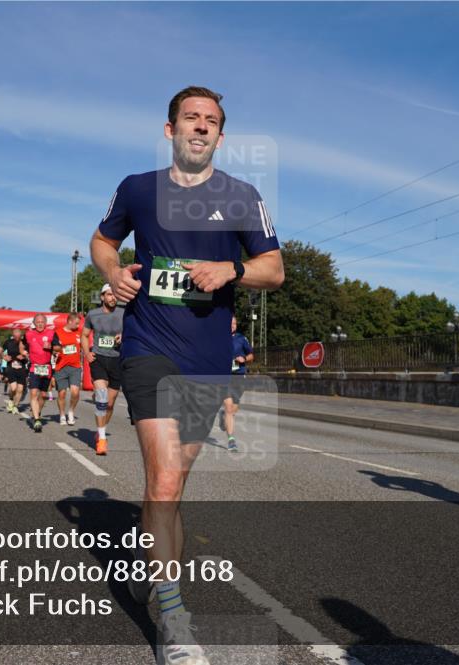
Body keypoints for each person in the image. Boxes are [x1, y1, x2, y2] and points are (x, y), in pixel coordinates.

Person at [90, 86, 284, 664]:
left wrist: (232, 269)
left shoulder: (243, 196)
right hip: (148, 345)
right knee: (166, 482)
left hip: (207, 357)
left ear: (221, 136)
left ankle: (157, 548)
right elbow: (103, 242)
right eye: (190, 118)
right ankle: (175, 619)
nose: (200, 127)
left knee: (171, 488)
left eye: (211, 121)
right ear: (170, 128)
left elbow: (274, 269)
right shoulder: (137, 188)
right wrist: (115, 271)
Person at [83, 283, 124, 455]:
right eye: (109, 295)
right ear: (102, 297)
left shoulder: (124, 313)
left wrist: (124, 336)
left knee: (109, 404)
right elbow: (84, 335)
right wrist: (87, 353)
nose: (112, 298)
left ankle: (100, 429)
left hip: (117, 360)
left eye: (115, 295)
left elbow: (135, 332)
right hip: (98, 358)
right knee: (101, 397)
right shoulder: (93, 314)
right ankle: (101, 438)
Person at [222, 315, 254, 452]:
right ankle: (231, 441)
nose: (232, 325)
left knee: (233, 409)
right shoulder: (219, 338)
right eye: (230, 323)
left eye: (234, 323)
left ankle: (225, 418)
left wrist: (244, 358)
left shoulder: (242, 339)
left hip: (239, 377)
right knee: (228, 408)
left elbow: (252, 356)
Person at [52, 312, 84, 426]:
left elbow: (86, 342)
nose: (77, 326)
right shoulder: (58, 332)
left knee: (75, 392)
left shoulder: (79, 333)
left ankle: (70, 411)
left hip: (75, 367)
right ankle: (62, 414)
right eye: (76, 323)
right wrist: (58, 349)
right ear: (69, 321)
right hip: (61, 367)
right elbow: (54, 346)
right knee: (62, 394)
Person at [25, 314, 55, 433]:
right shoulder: (28, 334)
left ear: (46, 322)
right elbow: (22, 345)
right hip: (34, 367)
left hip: (46, 367)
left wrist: (52, 346)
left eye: (42, 321)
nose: (40, 324)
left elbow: (58, 347)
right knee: (33, 393)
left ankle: (37, 412)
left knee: (43, 395)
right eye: (38, 321)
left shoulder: (51, 333)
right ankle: (37, 419)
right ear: (34, 323)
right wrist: (23, 351)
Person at [2, 329, 30, 415]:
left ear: (21, 335)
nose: (17, 338)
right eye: (16, 336)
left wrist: (24, 357)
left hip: (22, 368)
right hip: (11, 367)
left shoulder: (25, 343)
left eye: (19, 336)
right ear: (13, 335)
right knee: (13, 388)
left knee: (20, 389)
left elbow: (29, 354)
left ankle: (15, 406)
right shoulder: (8, 342)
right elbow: (1, 351)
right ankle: (11, 399)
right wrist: (4, 357)